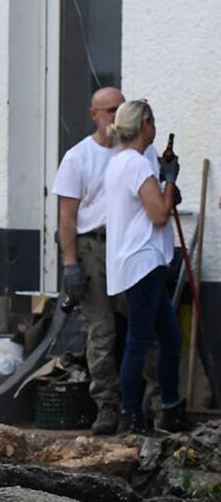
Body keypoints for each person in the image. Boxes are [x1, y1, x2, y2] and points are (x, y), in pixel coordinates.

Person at [54, 85, 141, 433]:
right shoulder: (79, 157)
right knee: (101, 331)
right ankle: (107, 407)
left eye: (121, 109)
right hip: (95, 246)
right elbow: (67, 216)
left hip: (129, 245)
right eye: (110, 110)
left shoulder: (133, 152)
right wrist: (70, 262)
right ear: (94, 115)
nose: (116, 117)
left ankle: (142, 405)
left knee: (139, 326)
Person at [102, 98, 188, 435]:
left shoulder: (118, 162)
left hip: (134, 260)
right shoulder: (137, 165)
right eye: (153, 123)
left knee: (170, 337)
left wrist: (167, 184)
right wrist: (168, 179)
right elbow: (159, 214)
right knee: (139, 341)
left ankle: (169, 407)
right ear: (145, 125)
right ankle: (130, 416)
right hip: (143, 261)